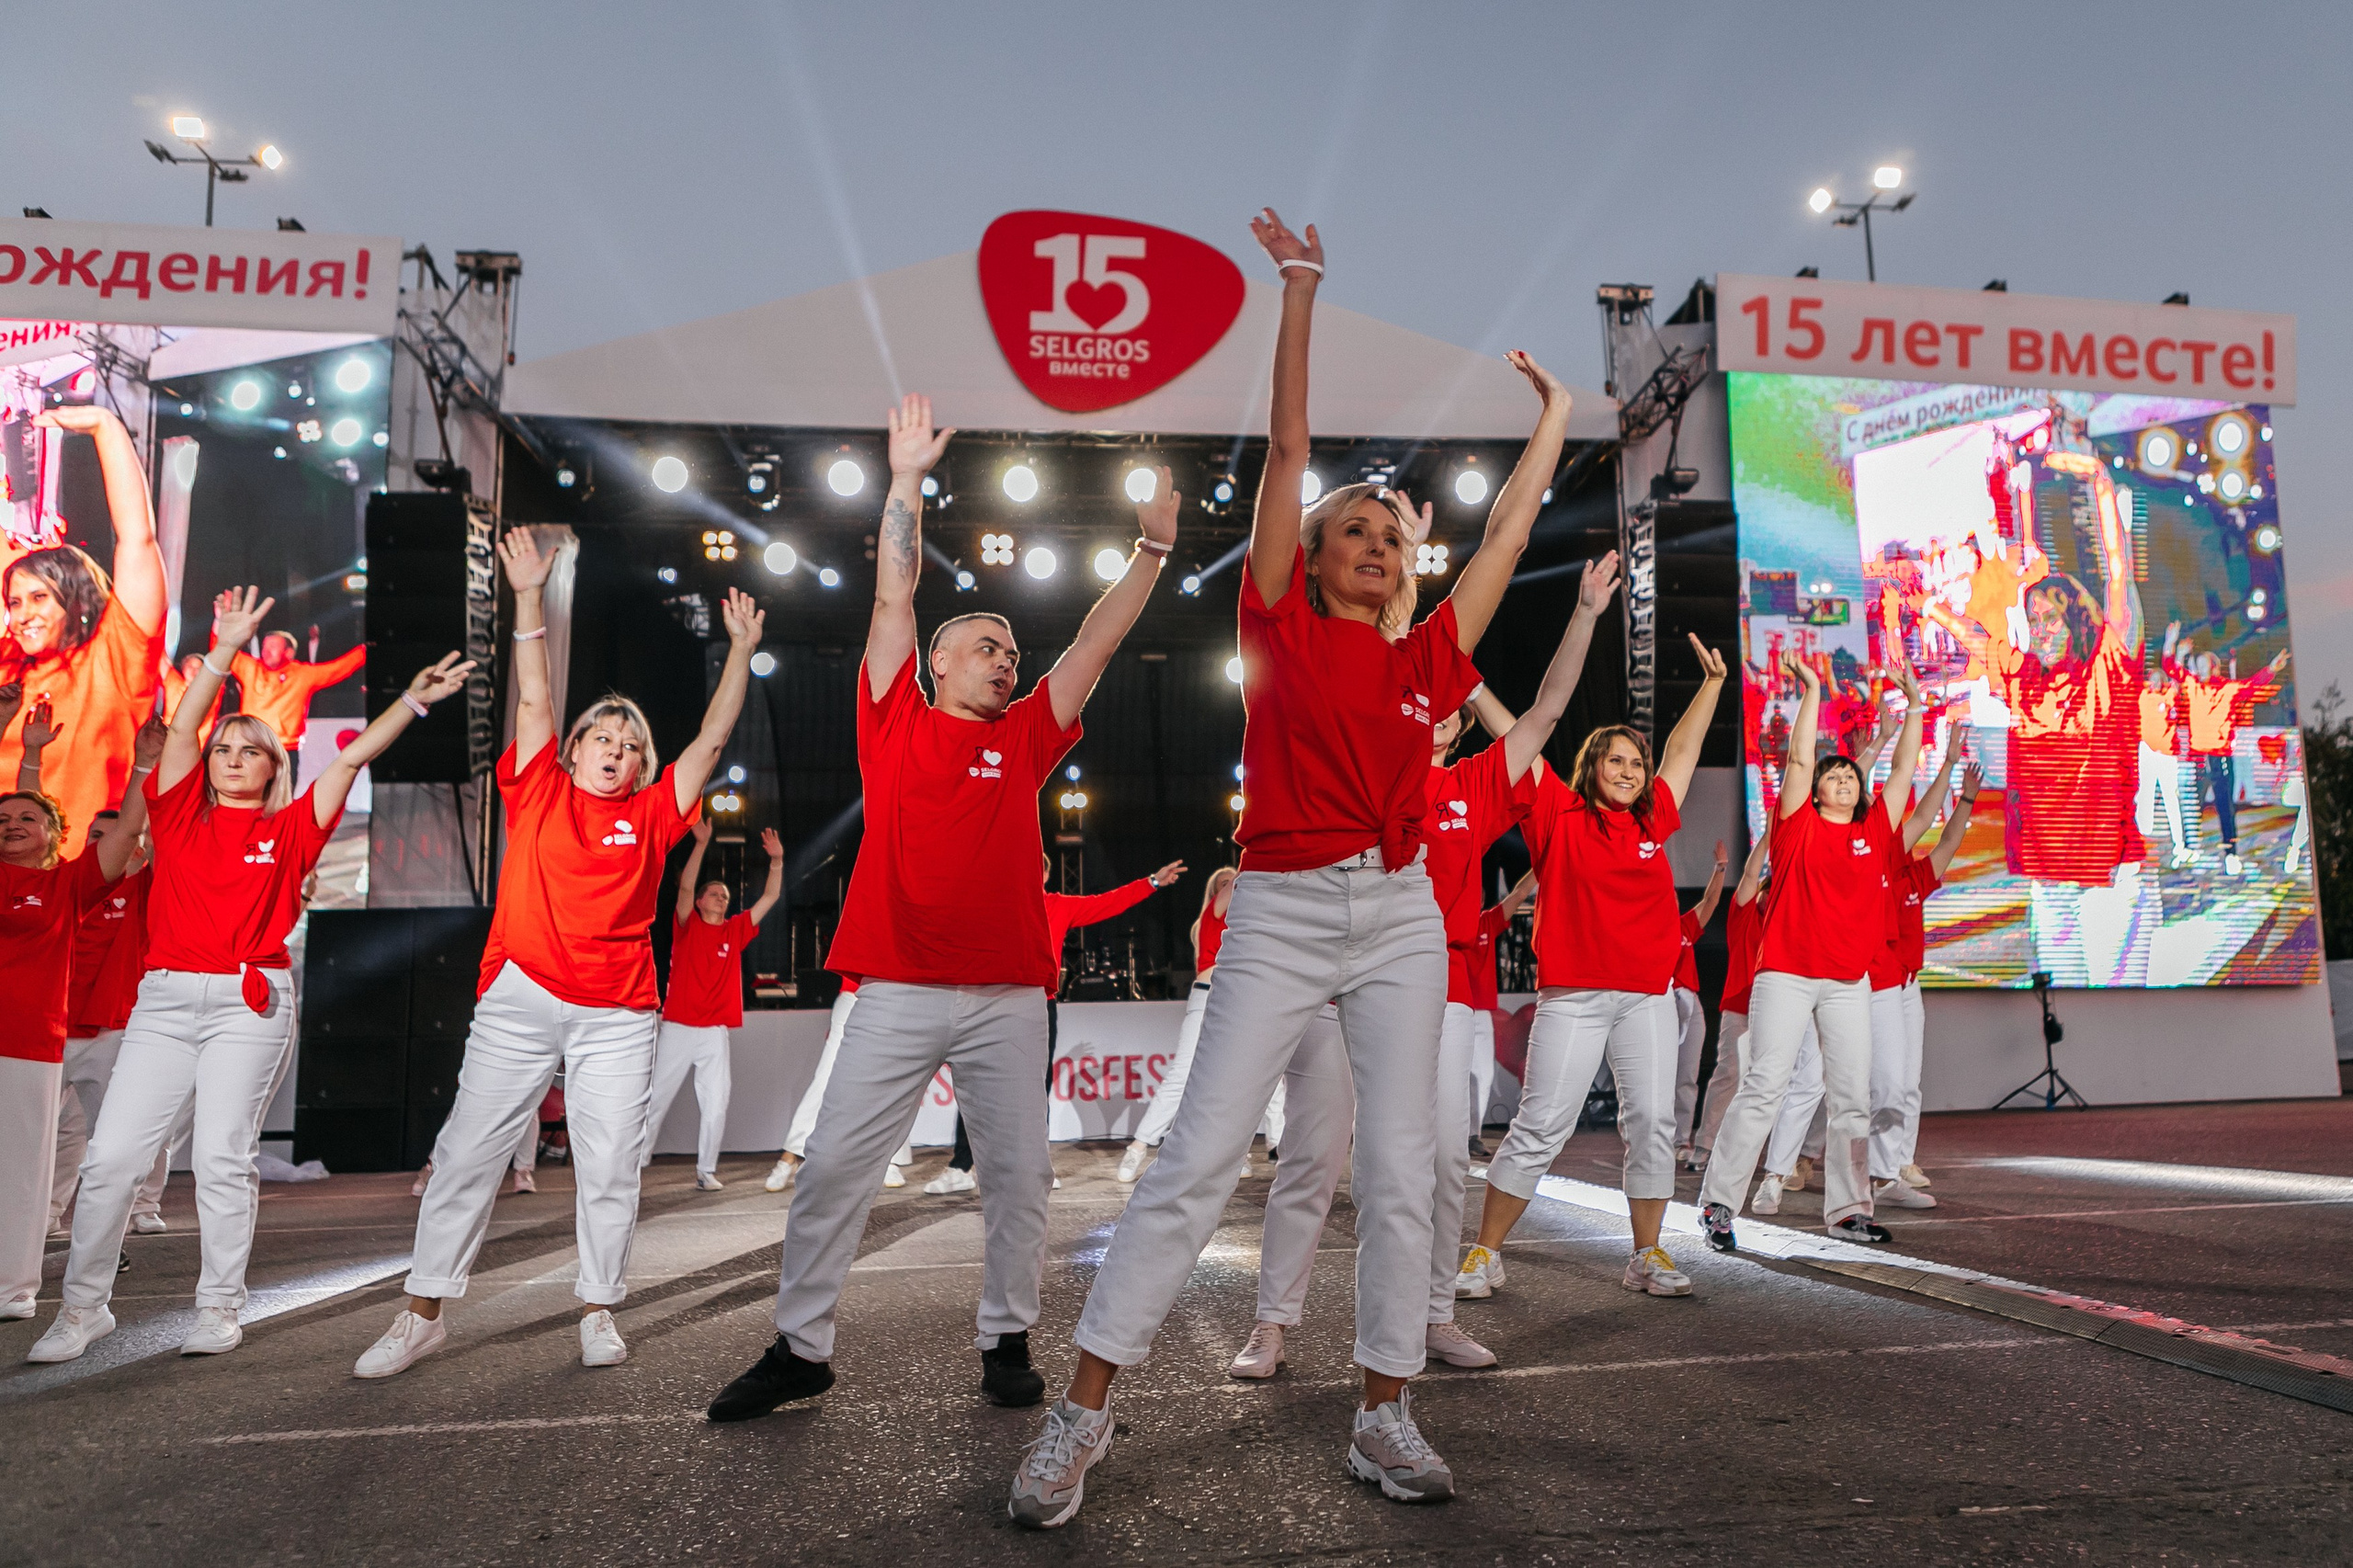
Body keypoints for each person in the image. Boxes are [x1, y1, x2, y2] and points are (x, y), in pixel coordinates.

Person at [1007, 210, 1564, 1528]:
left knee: (1409, 1158)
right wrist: (1300, 288)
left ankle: (1384, 1409)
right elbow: (1294, 449)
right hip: (1279, 907)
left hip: (1399, 915)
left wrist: (1551, 420)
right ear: (1308, 555)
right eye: (1352, 531)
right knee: (1199, 1154)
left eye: (1390, 534)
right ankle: (1079, 1411)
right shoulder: (1277, 622)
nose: (1375, 543)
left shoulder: (1426, 657)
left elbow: (1504, 542)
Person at [705, 398, 1176, 1426]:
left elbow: (1095, 642)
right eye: (986, 645)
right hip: (899, 986)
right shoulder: (894, 719)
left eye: (1012, 649)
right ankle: (800, 1347)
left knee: (1018, 1176)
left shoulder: (1030, 738)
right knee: (834, 1166)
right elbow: (892, 592)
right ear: (939, 663)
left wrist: (1149, 550)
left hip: (1007, 993)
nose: (1007, 657)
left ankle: (1007, 1340)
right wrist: (907, 479)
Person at [351, 535, 757, 1380]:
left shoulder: (653, 815)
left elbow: (711, 744)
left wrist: (742, 654)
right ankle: (422, 1313)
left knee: (611, 1164)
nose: (615, 748)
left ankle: (599, 1307)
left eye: (630, 742)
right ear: (572, 750)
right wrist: (527, 597)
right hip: (522, 996)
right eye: (601, 737)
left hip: (617, 1012)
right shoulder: (536, 786)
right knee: (468, 1154)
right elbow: (534, 694)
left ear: (642, 764)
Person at [28, 589, 472, 1362]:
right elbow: (176, 734)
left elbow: (357, 755)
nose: (232, 758)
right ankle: (82, 1309)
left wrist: (412, 701)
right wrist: (226, 648)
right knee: (110, 1159)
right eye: (224, 747)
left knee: (224, 1157)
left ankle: (218, 1308)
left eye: (250, 749)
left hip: (249, 1000)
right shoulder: (174, 812)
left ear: (275, 766)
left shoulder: (292, 827)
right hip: (164, 1001)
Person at [1229, 554, 1615, 1382]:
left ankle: (1432, 1314)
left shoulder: (1478, 785)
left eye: (1445, 711)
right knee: (1313, 1157)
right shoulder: (1359, 755)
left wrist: (1583, 614)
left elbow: (1546, 713)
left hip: (1430, 995)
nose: (1430, 716)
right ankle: (1272, 1323)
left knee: (1438, 1162)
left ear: (1453, 719)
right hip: (1335, 986)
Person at [1455, 632, 1726, 1304]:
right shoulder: (1556, 811)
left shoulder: (1652, 821)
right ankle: (1484, 1253)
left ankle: (1647, 1253)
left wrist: (1711, 687)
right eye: (1617, 760)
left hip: (1646, 998)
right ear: (1592, 767)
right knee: (1542, 1123)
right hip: (1573, 997)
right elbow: (1515, 731)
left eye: (1637, 761)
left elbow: (1684, 752)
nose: (1632, 770)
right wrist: (1464, 682)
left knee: (1653, 1122)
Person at [1695, 652, 1925, 1256]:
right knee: (1765, 1084)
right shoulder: (1796, 825)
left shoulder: (1872, 834)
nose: (1845, 779)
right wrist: (1814, 689)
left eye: (1851, 775)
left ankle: (1849, 1210)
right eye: (1834, 775)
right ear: (1815, 789)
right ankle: (1720, 1203)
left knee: (1852, 1097)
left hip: (1848, 982)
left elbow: (1901, 773)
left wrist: (1917, 706)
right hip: (1787, 977)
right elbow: (1799, 756)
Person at [1922, 439, 2144, 984]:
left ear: (2079, 621)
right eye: (2032, 617)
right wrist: (1930, 608)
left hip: (2109, 875)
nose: (2038, 627)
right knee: (2062, 1014)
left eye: (2049, 617)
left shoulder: (2110, 667)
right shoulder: (2025, 679)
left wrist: (2100, 483)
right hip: (2050, 881)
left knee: (2117, 1017)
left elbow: (2119, 573)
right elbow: (1978, 637)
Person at [1, 699, 150, 1321]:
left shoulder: (64, 886)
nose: (9, 823)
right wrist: (23, 749)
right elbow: (17, 805)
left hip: (29, 1045)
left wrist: (143, 767)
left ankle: (12, 1290)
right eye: (1, 818)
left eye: (25, 818)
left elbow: (123, 837)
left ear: (52, 835)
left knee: (23, 1173)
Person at [928, 858, 1186, 1194]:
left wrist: (1151, 881)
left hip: (1038, 1004)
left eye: (1037, 866)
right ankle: (962, 1166)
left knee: (1036, 1089)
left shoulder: (1058, 906)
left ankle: (1035, 1168)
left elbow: (1107, 903)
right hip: (992, 1004)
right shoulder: (994, 906)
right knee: (975, 1086)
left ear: (1047, 874)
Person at [0, 405, 167, 859]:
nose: (22, 615)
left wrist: (104, 428)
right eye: (14, 602)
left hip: (83, 889)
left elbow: (138, 541)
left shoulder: (114, 660)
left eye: (39, 599)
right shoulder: (8, 668)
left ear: (74, 602)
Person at [48, 782, 176, 1239]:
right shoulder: (68, 886)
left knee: (133, 1128)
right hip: (56, 1027)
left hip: (115, 1027)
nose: (104, 844)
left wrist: (160, 776)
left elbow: (165, 846)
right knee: (59, 1132)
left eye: (115, 835)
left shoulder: (146, 889)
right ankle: (48, 1213)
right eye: (95, 837)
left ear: (138, 850)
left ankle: (142, 1205)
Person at [641, 824, 783, 1190]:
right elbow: (685, 886)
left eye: (725, 894)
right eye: (715, 894)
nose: (723, 898)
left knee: (716, 1104)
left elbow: (768, 898)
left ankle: (706, 1171)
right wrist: (700, 844)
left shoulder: (734, 930)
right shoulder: (686, 926)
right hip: (679, 1027)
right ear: (701, 902)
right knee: (656, 1100)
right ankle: (634, 1164)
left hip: (714, 1032)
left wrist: (778, 861)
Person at [1116, 866, 1236, 1182]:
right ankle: (1138, 1147)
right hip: (1209, 996)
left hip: (1239, 1002)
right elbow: (1244, 879)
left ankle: (1237, 1155)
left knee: (1246, 1080)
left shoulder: (1253, 925)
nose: (1230, 887)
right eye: (1223, 884)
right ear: (1215, 892)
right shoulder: (1212, 915)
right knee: (1181, 1076)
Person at [762, 979, 915, 1192]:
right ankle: (789, 1157)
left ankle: (889, 1160)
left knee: (890, 1080)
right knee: (826, 1078)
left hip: (894, 998)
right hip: (853, 996)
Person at [1689, 834, 1771, 1168]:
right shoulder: (1745, 914)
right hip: (1740, 1004)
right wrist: (1770, 835)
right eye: (1769, 889)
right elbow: (1750, 875)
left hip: (1778, 1008)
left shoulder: (1789, 922)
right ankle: (1705, 1146)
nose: (1771, 897)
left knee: (1776, 1082)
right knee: (1730, 1073)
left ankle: (1770, 1158)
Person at [2180, 642, 2289, 878]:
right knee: (2192, 803)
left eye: (2204, 665)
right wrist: (2172, 650)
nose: (2200, 669)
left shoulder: (2227, 688)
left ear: (2215, 667)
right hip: (2198, 756)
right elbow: (2172, 669)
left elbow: (2252, 686)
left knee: (2224, 807)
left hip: (2220, 755)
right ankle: (2190, 848)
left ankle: (2231, 854)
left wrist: (2271, 669)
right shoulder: (2193, 685)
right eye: (2197, 665)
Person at [1669, 842, 1729, 1165]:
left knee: (1686, 1076)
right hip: (1656, 1001)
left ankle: (1681, 1139)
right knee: (1655, 1078)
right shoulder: (1640, 931)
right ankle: (1649, 1139)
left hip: (1688, 1002)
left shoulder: (1683, 926)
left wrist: (1720, 868)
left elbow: (1711, 901)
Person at [223, 625, 368, 753]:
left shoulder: (302, 674)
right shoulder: (251, 668)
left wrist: (367, 649)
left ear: (289, 652)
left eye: (273, 646)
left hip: (286, 748)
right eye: (264, 647)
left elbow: (339, 668)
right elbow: (222, 651)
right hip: (252, 745)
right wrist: (221, 621)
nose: (266, 651)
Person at [2138, 623, 2191, 869]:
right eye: (2153, 678)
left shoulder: (2169, 696)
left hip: (2167, 756)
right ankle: (2139, 845)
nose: (2157, 681)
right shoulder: (2142, 696)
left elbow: (2176, 677)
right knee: (2146, 793)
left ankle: (2179, 846)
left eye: (2160, 678)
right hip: (2148, 751)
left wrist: (2174, 649)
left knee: (2171, 799)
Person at [160, 653, 224, 733]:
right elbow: (161, 658)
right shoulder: (173, 682)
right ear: (183, 668)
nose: (193, 671)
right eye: (190, 666)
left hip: (198, 743)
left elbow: (222, 668)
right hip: (168, 737)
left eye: (198, 668)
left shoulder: (212, 691)